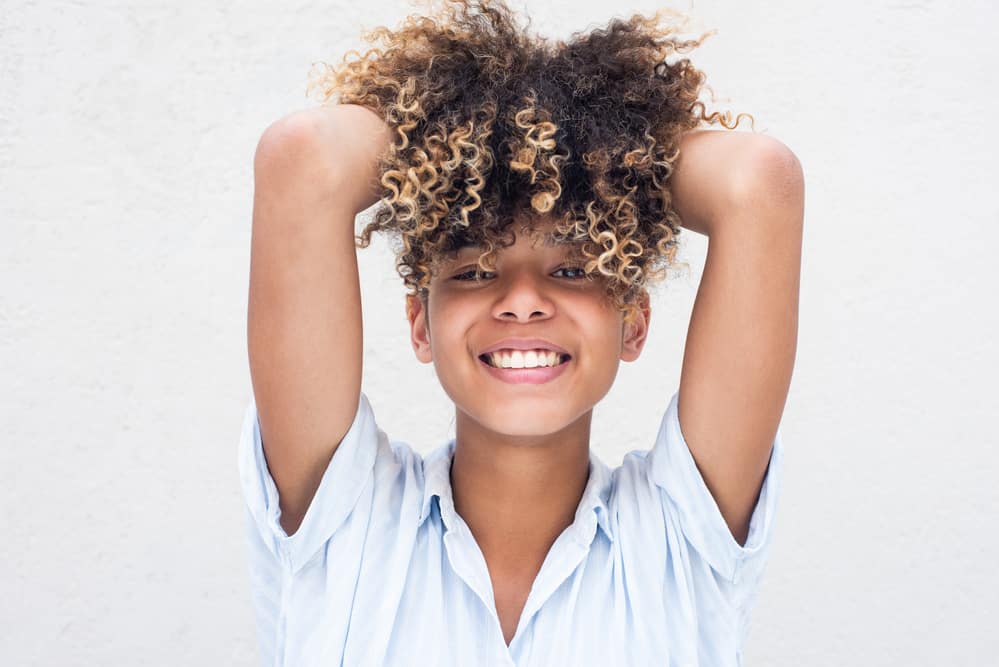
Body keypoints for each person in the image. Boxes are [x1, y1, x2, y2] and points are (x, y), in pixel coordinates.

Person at [238, 0, 803, 664]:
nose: (523, 302)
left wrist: (587, 143)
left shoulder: (679, 543)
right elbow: (303, 160)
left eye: (569, 267)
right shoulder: (346, 530)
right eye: (476, 270)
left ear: (633, 319)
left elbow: (755, 182)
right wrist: (481, 128)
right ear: (420, 324)